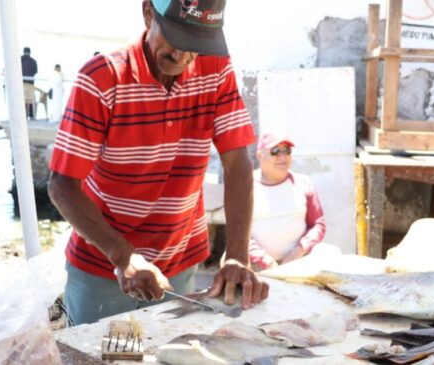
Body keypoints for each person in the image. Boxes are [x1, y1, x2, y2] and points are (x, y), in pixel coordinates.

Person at [47, 0, 269, 325]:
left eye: (195, 44)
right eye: (175, 37)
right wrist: (123, 256)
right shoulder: (100, 78)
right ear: (149, 13)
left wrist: (236, 254)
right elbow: (61, 185)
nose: (181, 56)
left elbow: (237, 163)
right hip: (102, 266)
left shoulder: (217, 69)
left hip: (180, 261)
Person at [248, 133, 338, 271]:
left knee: (331, 252)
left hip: (299, 259)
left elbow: (317, 224)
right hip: (256, 263)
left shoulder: (303, 182)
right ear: (260, 155)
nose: (283, 157)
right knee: (230, 261)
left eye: (287, 151)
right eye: (275, 151)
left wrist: (298, 251)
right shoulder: (246, 186)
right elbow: (240, 234)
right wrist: (267, 261)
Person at [21, 47, 38, 118]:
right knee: (30, 99)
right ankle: (31, 114)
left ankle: (22, 114)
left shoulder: (19, 60)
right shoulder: (33, 61)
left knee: (22, 99)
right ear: (30, 52)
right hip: (30, 84)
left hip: (21, 83)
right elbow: (35, 71)